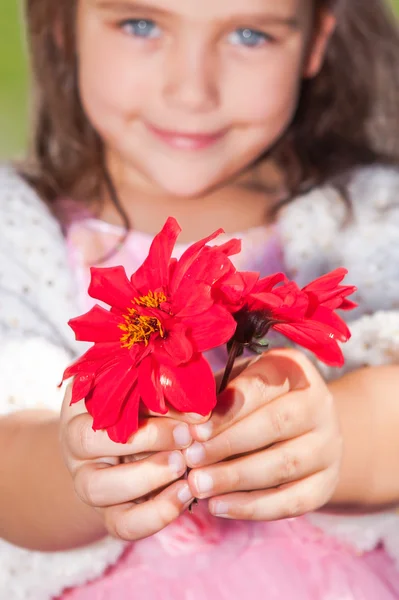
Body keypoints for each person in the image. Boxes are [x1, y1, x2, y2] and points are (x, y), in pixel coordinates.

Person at [1, 0, 399, 597]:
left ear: (316, 40)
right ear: (61, 24)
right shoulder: (16, 230)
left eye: (248, 34)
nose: (191, 90)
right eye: (141, 24)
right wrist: (79, 464)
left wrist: (336, 436)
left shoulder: (372, 214)